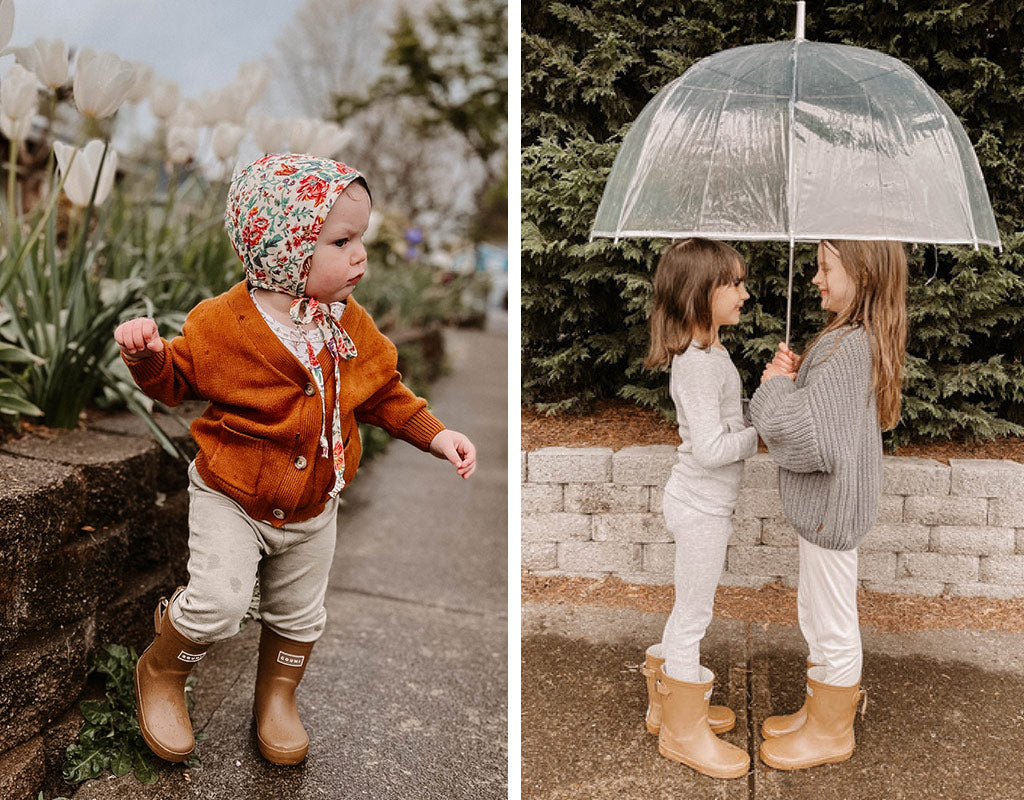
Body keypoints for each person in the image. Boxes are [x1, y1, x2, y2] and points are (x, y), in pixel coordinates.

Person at [113, 153, 477, 766]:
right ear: (284, 248)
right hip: (234, 495)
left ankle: (278, 697)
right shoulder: (223, 325)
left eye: (361, 237)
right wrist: (148, 354)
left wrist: (436, 435)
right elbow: (176, 380)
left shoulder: (349, 323)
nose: (360, 254)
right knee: (219, 603)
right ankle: (163, 670)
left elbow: (383, 392)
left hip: (313, 508)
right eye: (342, 240)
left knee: (299, 614)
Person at [750, 239, 907, 770]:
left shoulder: (845, 350)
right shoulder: (853, 341)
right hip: (832, 511)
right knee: (816, 613)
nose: (816, 279)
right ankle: (820, 711)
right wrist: (795, 383)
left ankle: (832, 732)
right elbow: (826, 425)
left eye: (826, 269)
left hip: (831, 513)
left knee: (832, 621)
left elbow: (809, 441)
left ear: (861, 274)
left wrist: (773, 389)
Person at [640, 238, 758, 779]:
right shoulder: (696, 364)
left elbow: (724, 421)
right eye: (733, 284)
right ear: (698, 292)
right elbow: (712, 449)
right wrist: (759, 436)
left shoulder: (714, 354)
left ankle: (666, 705)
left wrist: (770, 393)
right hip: (700, 505)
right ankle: (684, 734)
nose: (744, 293)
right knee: (694, 615)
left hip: (702, 502)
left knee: (688, 606)